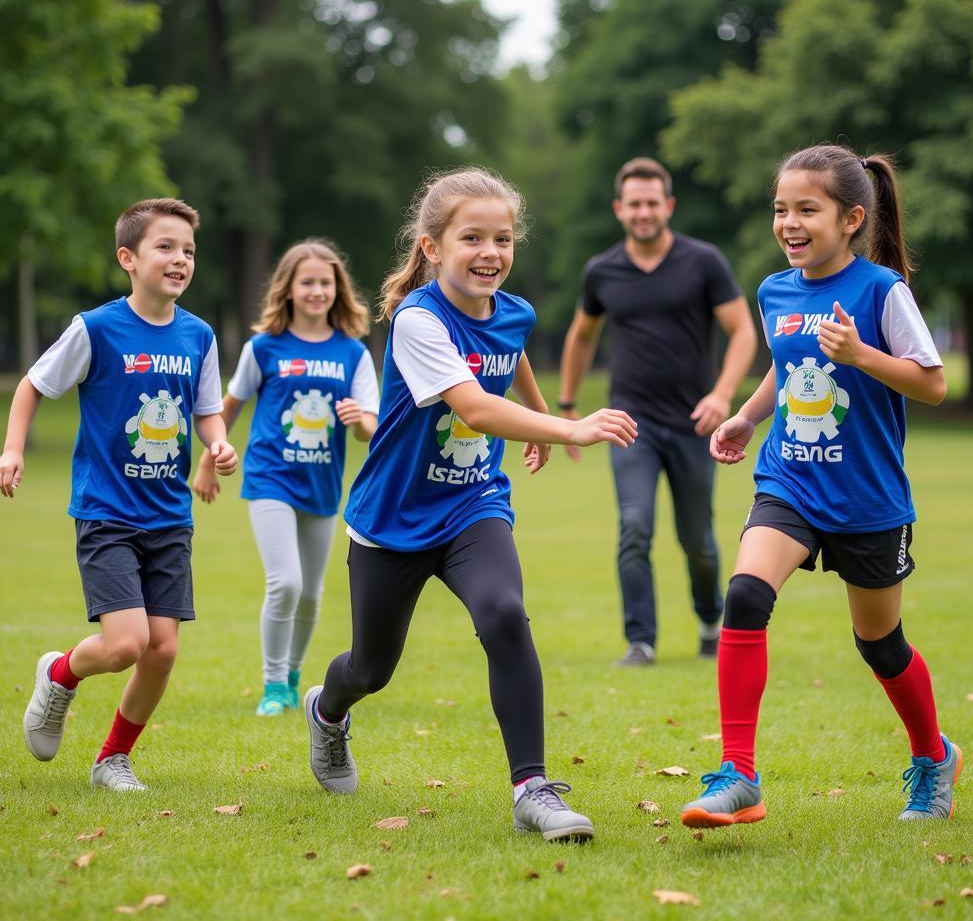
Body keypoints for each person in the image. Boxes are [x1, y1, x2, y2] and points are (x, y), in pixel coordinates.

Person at [302, 167, 638, 842]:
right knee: (371, 668)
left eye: (504, 239)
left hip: (472, 504)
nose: (491, 253)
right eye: (473, 238)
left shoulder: (513, 309)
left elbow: (508, 356)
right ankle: (328, 712)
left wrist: (540, 414)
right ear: (432, 247)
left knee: (504, 612)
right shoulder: (417, 320)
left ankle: (532, 790)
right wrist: (568, 427)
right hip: (393, 518)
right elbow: (477, 409)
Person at [680, 144, 960, 828]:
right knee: (745, 594)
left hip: (868, 498)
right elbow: (786, 363)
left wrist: (861, 353)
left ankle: (933, 756)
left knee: (880, 645)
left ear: (852, 217)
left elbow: (933, 383)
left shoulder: (881, 292)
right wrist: (748, 417)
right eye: (781, 209)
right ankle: (739, 773)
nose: (790, 222)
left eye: (808, 209)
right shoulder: (777, 291)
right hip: (791, 481)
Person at [0, 198, 237, 791]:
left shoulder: (199, 335)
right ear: (128, 258)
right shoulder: (97, 328)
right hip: (107, 511)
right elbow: (32, 385)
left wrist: (218, 445)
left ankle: (113, 760)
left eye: (188, 250)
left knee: (161, 651)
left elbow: (206, 411)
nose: (180, 259)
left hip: (169, 516)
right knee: (127, 643)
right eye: (166, 247)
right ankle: (59, 673)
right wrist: (12, 448)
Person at [558, 157, 756, 666]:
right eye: (634, 204)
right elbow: (581, 337)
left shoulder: (703, 261)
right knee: (635, 526)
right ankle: (640, 640)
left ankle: (711, 621)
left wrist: (722, 393)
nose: (643, 212)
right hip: (631, 424)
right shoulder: (602, 271)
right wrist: (566, 407)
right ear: (619, 209)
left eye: (652, 202)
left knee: (699, 542)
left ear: (667, 205)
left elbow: (742, 331)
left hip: (695, 424)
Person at [192, 240, 380, 716]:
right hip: (269, 476)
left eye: (325, 282)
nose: (318, 291)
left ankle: (294, 675)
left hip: (322, 485)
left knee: (312, 594)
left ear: (338, 289)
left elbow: (369, 431)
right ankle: (273, 684)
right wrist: (207, 461)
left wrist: (359, 418)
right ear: (289, 289)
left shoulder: (353, 353)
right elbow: (226, 406)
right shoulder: (264, 348)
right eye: (308, 282)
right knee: (286, 584)